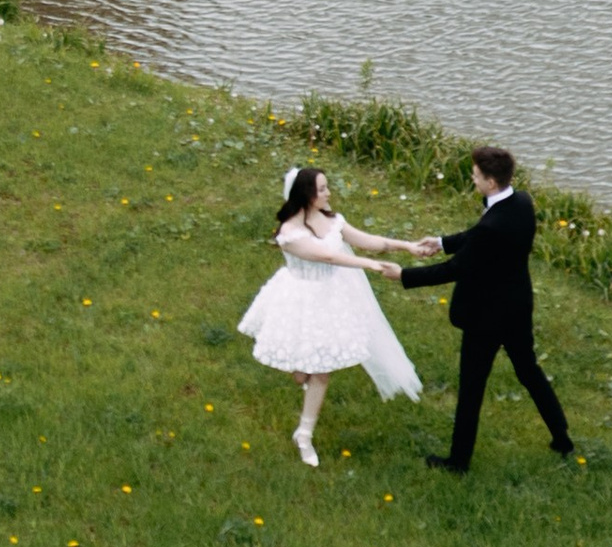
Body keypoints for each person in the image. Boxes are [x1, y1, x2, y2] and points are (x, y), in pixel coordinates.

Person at [399, 142, 575, 473]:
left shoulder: (493, 227)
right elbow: (477, 235)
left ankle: (458, 461)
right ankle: (561, 437)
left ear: (491, 182)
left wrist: (404, 275)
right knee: (529, 372)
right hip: (517, 307)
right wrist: (441, 242)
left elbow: (455, 269)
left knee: (471, 388)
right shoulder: (520, 201)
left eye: (476, 175)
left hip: (486, 318)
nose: (473, 178)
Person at [237, 165, 422, 465]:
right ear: (306, 194)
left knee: (321, 370)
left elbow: (368, 240)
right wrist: (370, 266)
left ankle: (304, 434)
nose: (329, 193)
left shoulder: (331, 220)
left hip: (330, 299)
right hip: (300, 299)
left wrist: (406, 246)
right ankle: (302, 373)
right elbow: (327, 256)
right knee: (304, 371)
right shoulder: (290, 233)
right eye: (322, 189)